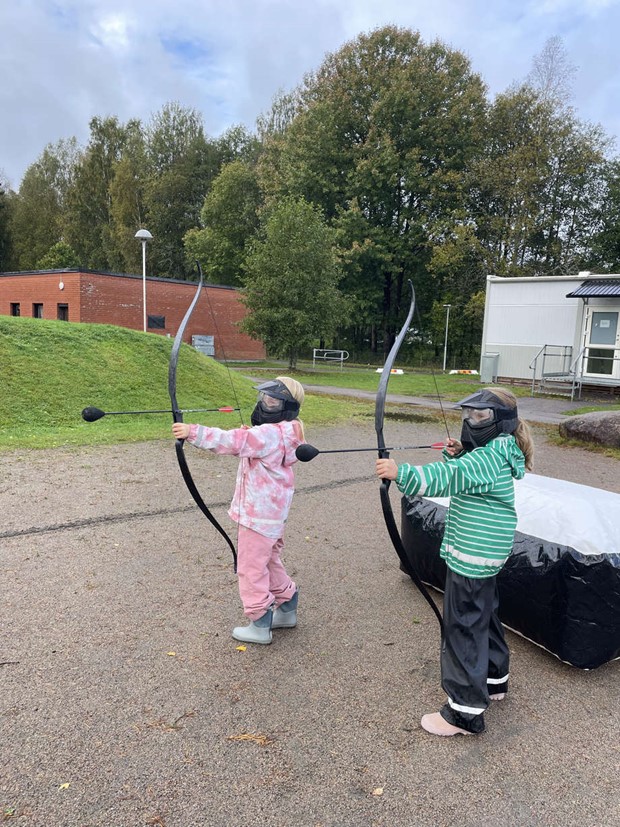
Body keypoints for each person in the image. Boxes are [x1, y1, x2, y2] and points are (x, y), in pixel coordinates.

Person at [375, 388, 534, 736]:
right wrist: (457, 455)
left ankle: (464, 712)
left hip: (473, 555)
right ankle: (494, 679)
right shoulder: (497, 451)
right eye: (469, 415)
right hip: (484, 554)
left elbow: (451, 478)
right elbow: (465, 473)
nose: (470, 422)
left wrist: (401, 473)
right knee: (484, 615)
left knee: (463, 625)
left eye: (480, 416)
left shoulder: (488, 458)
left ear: (501, 422)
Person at [172, 376, 305, 645]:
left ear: (286, 405)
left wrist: (192, 431)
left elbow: (231, 441)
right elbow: (252, 442)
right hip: (272, 516)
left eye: (274, 400)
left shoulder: (266, 435)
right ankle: (287, 607)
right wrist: (251, 436)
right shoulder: (287, 431)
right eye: (265, 398)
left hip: (258, 518)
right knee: (268, 561)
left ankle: (259, 623)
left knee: (250, 568)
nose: (266, 404)